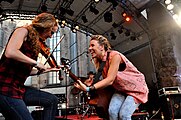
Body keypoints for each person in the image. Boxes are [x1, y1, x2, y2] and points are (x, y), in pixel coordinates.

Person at [0, 13, 61, 120]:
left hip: (18, 88)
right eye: (51, 32)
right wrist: (36, 63)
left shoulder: (35, 43)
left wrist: (47, 70)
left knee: (52, 100)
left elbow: (24, 71)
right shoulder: (22, 31)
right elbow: (10, 52)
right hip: (4, 89)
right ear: (45, 26)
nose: (51, 36)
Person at [74, 35, 149, 120]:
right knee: (112, 112)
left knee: (124, 115)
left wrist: (88, 89)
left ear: (101, 47)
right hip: (121, 89)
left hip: (136, 89)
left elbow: (110, 80)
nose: (89, 48)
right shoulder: (98, 61)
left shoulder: (115, 56)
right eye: (89, 46)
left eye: (92, 45)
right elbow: (104, 80)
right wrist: (88, 84)